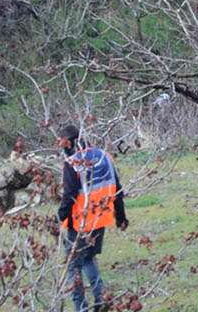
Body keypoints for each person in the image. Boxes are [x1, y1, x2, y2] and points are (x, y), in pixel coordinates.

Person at [56, 124, 128, 312]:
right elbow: (117, 188)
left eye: (62, 142)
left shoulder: (71, 163)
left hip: (79, 222)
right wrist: (121, 217)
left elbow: (69, 194)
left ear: (70, 142)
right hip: (100, 218)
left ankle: (82, 307)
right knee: (89, 258)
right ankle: (100, 300)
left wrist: (60, 215)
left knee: (74, 266)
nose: (60, 146)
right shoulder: (104, 156)